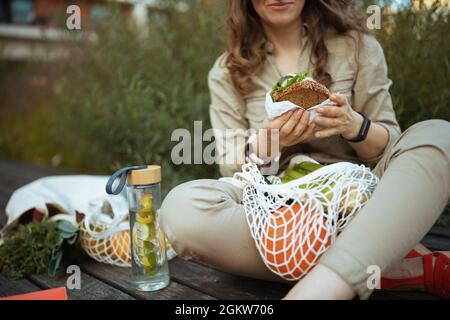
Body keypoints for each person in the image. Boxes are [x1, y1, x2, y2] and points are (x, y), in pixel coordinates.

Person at [160, 0, 450, 299]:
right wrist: (268, 142)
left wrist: (354, 126)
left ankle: (320, 288)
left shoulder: (358, 44)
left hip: (362, 197)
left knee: (439, 135)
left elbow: (391, 144)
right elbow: (231, 168)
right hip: (277, 205)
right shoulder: (226, 71)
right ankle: (394, 267)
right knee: (181, 209)